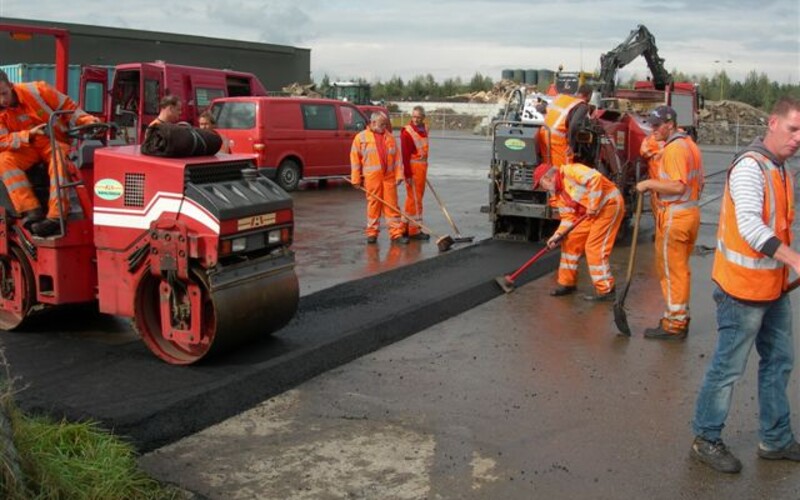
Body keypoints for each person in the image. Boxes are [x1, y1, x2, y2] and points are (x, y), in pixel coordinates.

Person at [690, 96, 800, 474]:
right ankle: (705, 438)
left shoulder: (781, 168)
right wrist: (796, 260)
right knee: (727, 369)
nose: (798, 138)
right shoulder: (750, 169)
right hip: (741, 291)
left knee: (780, 361)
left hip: (773, 288)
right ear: (772, 123)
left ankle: (775, 438)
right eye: (793, 128)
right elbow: (753, 229)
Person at [0, 69, 100, 237]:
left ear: (11, 86)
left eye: (3, 93)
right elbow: (2, 141)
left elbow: (68, 108)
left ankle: (56, 216)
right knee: (4, 160)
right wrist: (29, 135)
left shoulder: (37, 90)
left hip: (54, 142)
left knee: (59, 158)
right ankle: (30, 210)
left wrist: (87, 121)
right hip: (27, 146)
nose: (2, 100)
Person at [635, 105, 703, 340]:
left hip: (675, 216)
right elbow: (698, 184)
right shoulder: (690, 145)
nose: (653, 129)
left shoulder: (674, 150)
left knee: (670, 270)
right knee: (680, 270)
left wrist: (649, 185)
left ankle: (674, 324)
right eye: (651, 124)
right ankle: (680, 316)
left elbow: (677, 185)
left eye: (657, 125)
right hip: (689, 214)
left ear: (670, 124)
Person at [533, 161, 624, 301]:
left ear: (547, 178)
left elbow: (596, 178)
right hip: (589, 214)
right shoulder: (558, 195)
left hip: (608, 206)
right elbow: (568, 218)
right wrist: (557, 235)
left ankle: (606, 290)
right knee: (570, 241)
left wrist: (593, 206)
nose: (542, 188)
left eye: (540, 184)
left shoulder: (571, 171)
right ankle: (567, 283)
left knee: (594, 248)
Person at [350, 112, 406, 245]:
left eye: (385, 124)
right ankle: (372, 233)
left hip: (389, 178)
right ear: (373, 123)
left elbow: (398, 159)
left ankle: (396, 234)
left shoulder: (390, 138)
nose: (384, 127)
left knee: (392, 206)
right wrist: (356, 179)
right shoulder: (361, 138)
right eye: (382, 124)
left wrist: (399, 175)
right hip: (372, 178)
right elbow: (355, 159)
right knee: (373, 206)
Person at [537, 84, 593, 168]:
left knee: (547, 164)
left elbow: (544, 109)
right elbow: (574, 125)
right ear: (589, 95)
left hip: (544, 133)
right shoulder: (582, 106)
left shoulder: (561, 98)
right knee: (564, 168)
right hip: (557, 139)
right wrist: (571, 145)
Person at [400, 105, 430, 240]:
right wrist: (408, 175)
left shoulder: (424, 129)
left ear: (423, 117)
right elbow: (405, 156)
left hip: (422, 169)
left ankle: (404, 226)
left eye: (418, 117)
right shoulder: (407, 133)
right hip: (413, 169)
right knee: (416, 200)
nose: (416, 119)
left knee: (412, 199)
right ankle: (414, 230)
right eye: (414, 117)